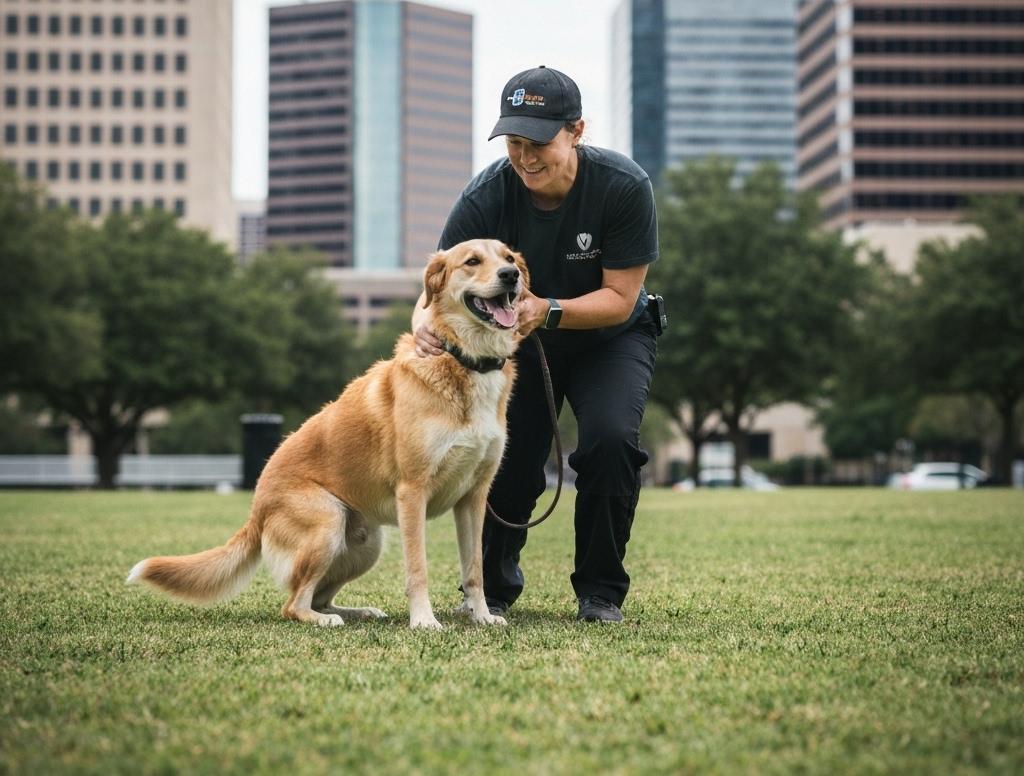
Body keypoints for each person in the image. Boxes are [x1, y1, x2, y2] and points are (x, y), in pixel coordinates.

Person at [413, 66, 659, 623]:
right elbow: (439, 283)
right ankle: (490, 589)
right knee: (509, 456)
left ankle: (600, 592)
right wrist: (423, 325)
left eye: (539, 143)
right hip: (514, 343)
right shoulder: (486, 194)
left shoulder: (624, 186)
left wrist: (545, 309)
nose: (525, 158)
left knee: (610, 443)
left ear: (576, 131)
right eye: (515, 143)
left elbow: (621, 298)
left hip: (610, 338)